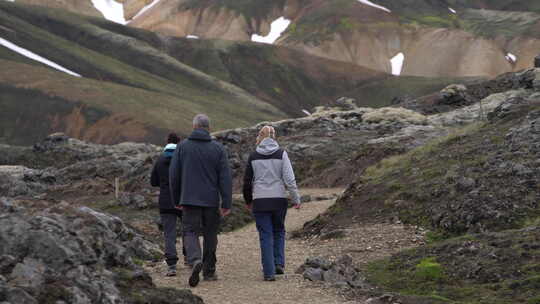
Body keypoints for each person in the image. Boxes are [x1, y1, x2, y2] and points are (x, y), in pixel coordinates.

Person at [169, 114, 232, 287]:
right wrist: (226, 203)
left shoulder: (182, 147)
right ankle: (209, 271)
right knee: (211, 235)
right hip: (211, 201)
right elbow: (225, 178)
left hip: (189, 200)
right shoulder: (218, 149)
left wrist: (176, 199)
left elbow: (173, 176)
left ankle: (195, 259)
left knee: (190, 232)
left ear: (194, 127)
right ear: (208, 128)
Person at [242, 125, 301, 281]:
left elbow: (247, 181)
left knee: (265, 235)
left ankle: (268, 273)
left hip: (260, 201)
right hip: (278, 199)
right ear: (274, 136)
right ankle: (279, 263)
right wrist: (296, 199)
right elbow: (289, 179)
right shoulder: (282, 154)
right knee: (279, 231)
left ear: (260, 136)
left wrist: (248, 200)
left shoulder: (253, 156)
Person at [150, 133, 185, 277]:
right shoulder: (183, 159)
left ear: (167, 143)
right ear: (179, 143)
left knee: (169, 234)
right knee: (188, 230)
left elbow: (153, 182)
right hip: (183, 200)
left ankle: (171, 265)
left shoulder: (159, 160)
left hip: (165, 201)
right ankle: (189, 258)